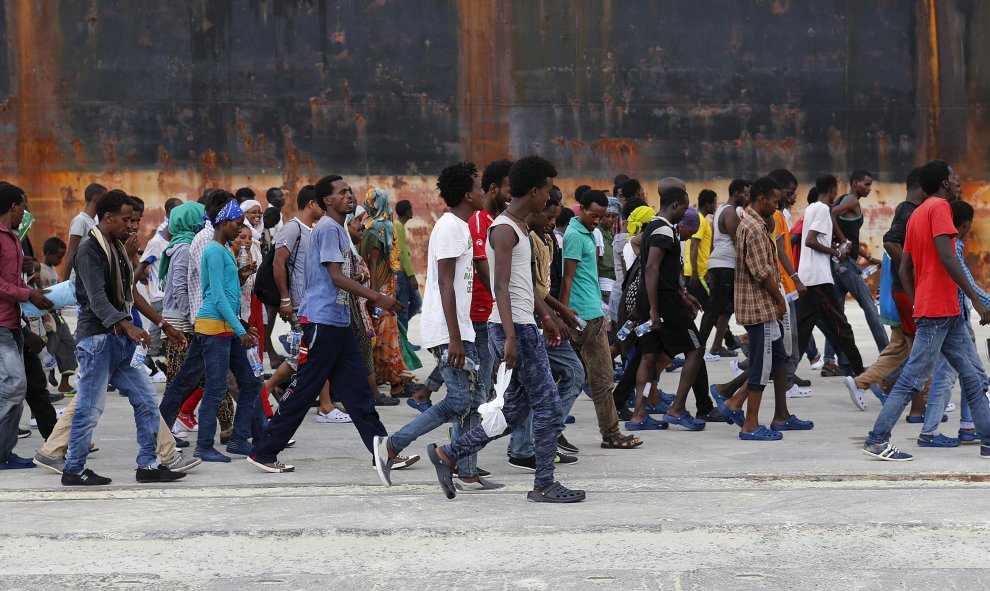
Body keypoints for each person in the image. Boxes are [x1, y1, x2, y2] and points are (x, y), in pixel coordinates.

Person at [426, 155, 585, 503]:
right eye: (546, 191)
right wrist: (512, 335)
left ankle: (448, 455)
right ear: (533, 191)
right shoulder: (504, 229)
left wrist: (549, 316)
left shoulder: (517, 226)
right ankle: (544, 483)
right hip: (513, 328)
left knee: (514, 411)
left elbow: (524, 286)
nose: (548, 198)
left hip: (524, 325)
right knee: (549, 406)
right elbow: (500, 286)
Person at [248, 175, 402, 474]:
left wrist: (364, 295)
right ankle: (264, 451)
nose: (350, 196)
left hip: (337, 320)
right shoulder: (330, 228)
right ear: (327, 200)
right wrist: (376, 297)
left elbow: (340, 277)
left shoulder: (339, 229)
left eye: (350, 191)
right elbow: (335, 275)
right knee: (305, 389)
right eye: (342, 193)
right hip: (322, 321)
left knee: (358, 392)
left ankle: (383, 452)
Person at [373, 162, 496, 489]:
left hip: (460, 328)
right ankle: (391, 445)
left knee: (474, 400)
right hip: (449, 331)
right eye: (480, 187)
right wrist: (454, 338)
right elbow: (443, 283)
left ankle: (467, 470)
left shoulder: (462, 226)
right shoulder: (450, 228)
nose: (484, 193)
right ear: (469, 194)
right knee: (460, 401)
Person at [863, 160, 990, 461]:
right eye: (954, 177)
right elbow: (948, 257)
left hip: (941, 311)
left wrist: (917, 300)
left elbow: (904, 267)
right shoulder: (940, 209)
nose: (958, 180)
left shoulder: (917, 213)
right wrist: (975, 297)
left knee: (972, 375)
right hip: (940, 310)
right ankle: (877, 439)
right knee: (911, 379)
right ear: (944, 184)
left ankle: (987, 439)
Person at [61, 190, 185, 485]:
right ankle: (73, 469)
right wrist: (127, 325)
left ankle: (148, 465)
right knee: (90, 409)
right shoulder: (90, 249)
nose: (132, 225)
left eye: (134, 220)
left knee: (145, 400)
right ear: (108, 217)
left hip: (118, 342)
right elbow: (97, 298)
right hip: (97, 340)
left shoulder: (116, 247)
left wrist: (162, 324)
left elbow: (129, 292)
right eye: (126, 219)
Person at [158, 200, 263, 463]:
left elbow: (226, 291)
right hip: (214, 328)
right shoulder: (214, 251)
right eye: (238, 225)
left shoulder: (222, 249)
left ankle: (239, 438)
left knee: (249, 383)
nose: (240, 231)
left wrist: (240, 324)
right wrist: (241, 329)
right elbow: (216, 296)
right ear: (224, 223)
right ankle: (203, 445)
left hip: (222, 327)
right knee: (215, 388)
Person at [714, 177, 813, 440]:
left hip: (761, 305)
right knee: (761, 364)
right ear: (761, 200)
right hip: (761, 308)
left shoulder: (752, 222)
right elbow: (761, 272)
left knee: (777, 357)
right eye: (774, 201)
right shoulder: (755, 227)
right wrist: (780, 300)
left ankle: (736, 402)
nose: (777, 206)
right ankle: (750, 424)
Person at [844, 168, 930, 413]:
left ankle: (863, 382)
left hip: (902, 290)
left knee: (899, 347)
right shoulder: (908, 211)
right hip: (908, 292)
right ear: (923, 188)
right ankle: (921, 403)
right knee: (922, 351)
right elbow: (890, 240)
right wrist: (911, 271)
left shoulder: (908, 210)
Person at [561, 189, 640, 449]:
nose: (597, 220)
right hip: (582, 317)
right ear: (581, 209)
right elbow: (568, 277)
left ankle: (606, 432)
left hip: (591, 313)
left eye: (601, 216)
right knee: (602, 379)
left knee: (582, 379)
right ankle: (610, 433)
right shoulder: (574, 235)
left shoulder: (588, 233)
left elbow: (589, 276)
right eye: (593, 215)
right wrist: (564, 313)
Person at [636, 187, 713, 431]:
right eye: (685, 208)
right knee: (696, 348)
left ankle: (639, 415)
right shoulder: (664, 231)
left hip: (654, 300)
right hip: (663, 303)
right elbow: (651, 269)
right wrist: (655, 310)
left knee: (649, 357)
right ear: (675, 205)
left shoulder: (653, 226)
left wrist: (683, 295)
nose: (686, 214)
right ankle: (677, 408)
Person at [915, 199, 990, 447]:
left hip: (957, 318)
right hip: (953, 321)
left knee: (972, 374)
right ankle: (930, 430)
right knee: (950, 376)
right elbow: (967, 282)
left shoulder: (947, 243)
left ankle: (970, 425)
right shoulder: (953, 245)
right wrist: (985, 303)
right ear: (966, 225)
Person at [0, 183, 53, 470]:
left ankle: (5, 453)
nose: (26, 212)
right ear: (13, 207)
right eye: (23, 206)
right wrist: (27, 294)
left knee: (19, 388)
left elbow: (13, 281)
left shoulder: (12, 238)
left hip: (12, 322)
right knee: (14, 386)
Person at [794, 175, 865, 377]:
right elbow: (810, 240)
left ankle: (786, 377)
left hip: (809, 277)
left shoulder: (810, 209)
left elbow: (814, 240)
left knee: (803, 331)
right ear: (833, 191)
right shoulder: (824, 209)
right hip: (819, 279)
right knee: (842, 328)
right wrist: (837, 253)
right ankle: (860, 373)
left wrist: (831, 246)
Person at [360, 188, 416, 403]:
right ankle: (394, 384)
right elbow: (373, 263)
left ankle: (395, 382)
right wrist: (374, 296)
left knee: (384, 337)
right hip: (381, 291)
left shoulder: (367, 226)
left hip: (379, 290)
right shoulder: (381, 228)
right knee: (386, 339)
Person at [827, 170, 888, 364]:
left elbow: (850, 235)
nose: (869, 189)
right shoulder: (851, 200)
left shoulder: (845, 200)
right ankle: (888, 356)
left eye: (871, 185)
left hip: (838, 262)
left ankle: (829, 360)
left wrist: (866, 257)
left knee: (837, 312)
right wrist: (843, 241)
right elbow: (831, 214)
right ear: (854, 183)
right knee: (870, 307)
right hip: (845, 265)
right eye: (866, 184)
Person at [766, 169, 811, 393]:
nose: (793, 197)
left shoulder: (782, 215)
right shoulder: (774, 216)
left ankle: (787, 376)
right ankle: (787, 379)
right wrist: (795, 278)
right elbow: (780, 252)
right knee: (786, 334)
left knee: (787, 334)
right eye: (789, 193)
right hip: (782, 283)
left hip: (787, 283)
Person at [698, 179, 750, 356]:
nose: (747, 197)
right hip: (726, 266)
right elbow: (739, 243)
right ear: (736, 193)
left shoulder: (721, 210)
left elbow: (713, 241)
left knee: (725, 309)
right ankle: (698, 348)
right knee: (715, 309)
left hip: (720, 265)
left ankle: (715, 346)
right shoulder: (730, 212)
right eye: (745, 193)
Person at [40, 237, 78, 394]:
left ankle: (65, 383)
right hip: (47, 318)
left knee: (68, 346)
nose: (60, 260)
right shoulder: (40, 270)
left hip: (58, 316)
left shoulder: (54, 271)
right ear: (48, 254)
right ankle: (44, 388)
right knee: (49, 349)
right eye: (58, 256)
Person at [61, 183, 107, 282]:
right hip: (78, 279)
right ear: (96, 198)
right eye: (104, 198)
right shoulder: (80, 221)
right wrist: (64, 283)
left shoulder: (94, 222)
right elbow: (71, 252)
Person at [393, 199, 422, 331]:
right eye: (411, 209)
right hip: (402, 274)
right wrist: (411, 276)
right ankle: (403, 343)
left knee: (416, 304)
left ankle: (401, 335)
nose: (412, 211)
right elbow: (402, 252)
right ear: (406, 211)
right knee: (403, 310)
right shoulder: (397, 225)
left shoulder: (399, 225)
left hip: (405, 273)